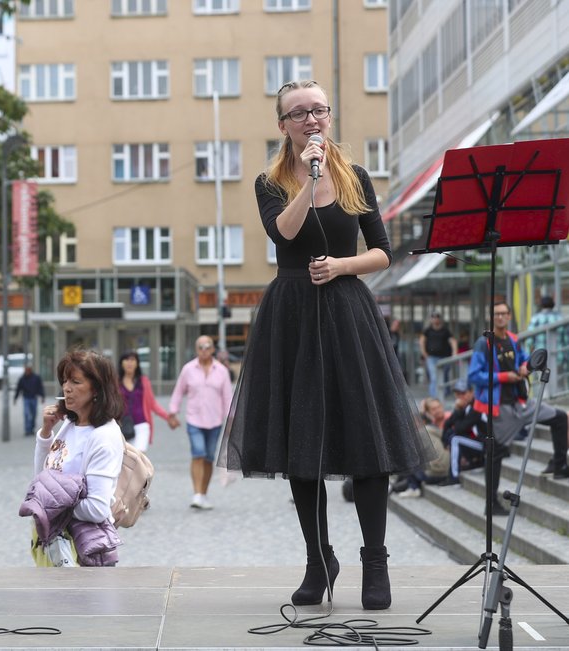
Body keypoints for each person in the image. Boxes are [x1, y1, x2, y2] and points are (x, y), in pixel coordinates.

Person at [219, 80, 436, 611]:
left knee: (366, 440)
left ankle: (375, 562)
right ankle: (319, 561)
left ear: (330, 116)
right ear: (283, 126)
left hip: (346, 314)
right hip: (290, 317)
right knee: (301, 447)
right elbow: (284, 235)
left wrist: (341, 265)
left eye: (319, 110)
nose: (311, 120)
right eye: (299, 114)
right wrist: (307, 181)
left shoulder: (355, 177)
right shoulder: (269, 182)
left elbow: (384, 253)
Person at [468, 301, 569, 514]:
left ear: (509, 316)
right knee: (495, 454)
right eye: (497, 314)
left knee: (559, 417)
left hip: (521, 403)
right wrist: (505, 376)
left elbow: (524, 361)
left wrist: (526, 367)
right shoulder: (483, 343)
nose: (501, 317)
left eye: (504, 313)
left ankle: (559, 465)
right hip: (500, 409)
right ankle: (491, 504)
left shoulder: (513, 339)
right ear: (491, 317)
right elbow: (474, 376)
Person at [30, 349, 124, 566]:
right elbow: (42, 478)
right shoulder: (71, 424)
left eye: (76, 381)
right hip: (56, 543)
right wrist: (45, 434)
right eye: (64, 380)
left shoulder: (103, 436)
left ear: (96, 388)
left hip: (81, 549)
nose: (67, 388)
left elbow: (98, 509)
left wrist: (52, 507)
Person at [168, 335, 233, 510]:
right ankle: (196, 494)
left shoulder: (221, 371)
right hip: (194, 419)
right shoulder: (188, 369)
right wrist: (173, 413)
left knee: (208, 457)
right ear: (196, 350)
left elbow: (228, 397)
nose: (204, 350)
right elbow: (178, 391)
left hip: (215, 421)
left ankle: (203, 494)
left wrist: (231, 420)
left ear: (213, 349)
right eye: (201, 347)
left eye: (207, 346)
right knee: (198, 453)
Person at [117, 350, 169, 452]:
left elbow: (152, 403)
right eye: (126, 360)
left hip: (142, 424)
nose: (129, 363)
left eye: (132, 360)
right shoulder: (115, 382)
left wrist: (168, 417)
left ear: (137, 363)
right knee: (126, 459)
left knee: (139, 457)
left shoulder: (143, 381)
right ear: (121, 363)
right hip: (122, 426)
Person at [420, 312, 457, 398]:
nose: (435, 319)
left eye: (437, 317)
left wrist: (454, 353)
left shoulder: (445, 330)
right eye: (433, 317)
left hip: (444, 357)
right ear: (431, 319)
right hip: (432, 357)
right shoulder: (428, 330)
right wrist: (424, 353)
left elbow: (453, 341)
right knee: (434, 377)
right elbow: (422, 341)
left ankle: (445, 393)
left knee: (444, 376)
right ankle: (434, 397)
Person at [14, 365, 45, 436]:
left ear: (30, 370)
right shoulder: (22, 379)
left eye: (28, 370)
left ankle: (32, 427)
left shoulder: (36, 378)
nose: (27, 372)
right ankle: (27, 430)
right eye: (26, 370)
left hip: (34, 398)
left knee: (34, 414)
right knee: (26, 414)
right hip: (26, 398)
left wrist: (42, 396)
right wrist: (15, 398)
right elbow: (18, 389)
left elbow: (40, 387)